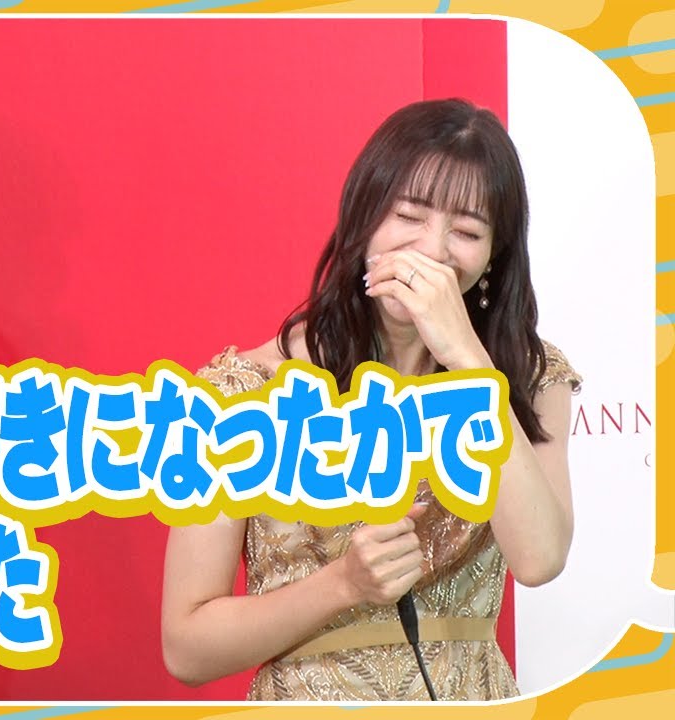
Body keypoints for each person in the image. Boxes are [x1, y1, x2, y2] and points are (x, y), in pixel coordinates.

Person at [160, 99, 581, 701]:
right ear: (364, 218)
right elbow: (187, 647)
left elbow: (540, 558)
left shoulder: (527, 378)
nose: (432, 250)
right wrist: (343, 585)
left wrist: (467, 357)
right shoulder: (242, 392)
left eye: (466, 232)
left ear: (495, 255)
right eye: (408, 215)